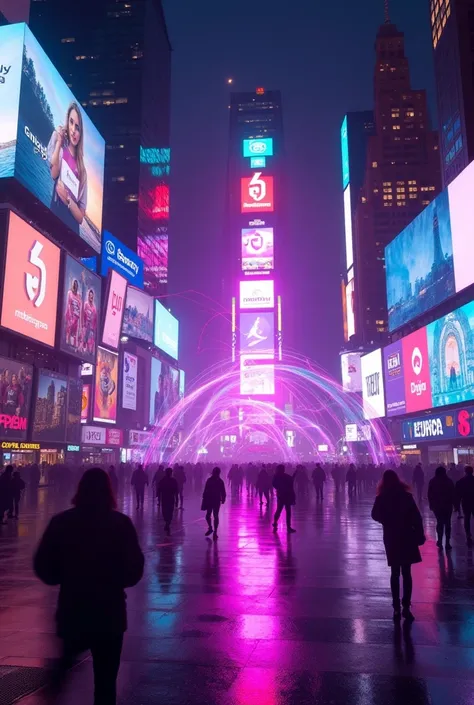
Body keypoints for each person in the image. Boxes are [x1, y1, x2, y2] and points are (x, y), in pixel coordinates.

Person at [33, 469, 144, 705]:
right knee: (105, 683)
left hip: (73, 609)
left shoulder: (62, 522)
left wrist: (65, 576)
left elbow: (43, 565)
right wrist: (114, 580)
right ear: (109, 491)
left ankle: (49, 694)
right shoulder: (120, 524)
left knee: (62, 670)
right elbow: (135, 571)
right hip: (110, 614)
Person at [371, 470, 425, 622]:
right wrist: (420, 534)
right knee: (407, 573)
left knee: (394, 572)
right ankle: (406, 606)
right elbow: (417, 517)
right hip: (407, 535)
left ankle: (395, 608)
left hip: (391, 537)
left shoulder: (382, 497)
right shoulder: (407, 496)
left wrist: (386, 521)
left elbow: (374, 514)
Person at [47, 102, 88, 235]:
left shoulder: (82, 170)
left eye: (78, 127)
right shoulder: (59, 143)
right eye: (71, 122)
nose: (73, 130)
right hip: (55, 210)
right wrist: (59, 142)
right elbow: (53, 174)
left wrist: (68, 200)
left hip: (71, 226)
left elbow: (81, 217)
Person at [428, 466, 455, 551]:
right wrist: (455, 505)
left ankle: (439, 540)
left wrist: (431, 504)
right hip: (447, 505)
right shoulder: (449, 481)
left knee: (439, 522)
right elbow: (453, 493)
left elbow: (429, 494)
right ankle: (447, 542)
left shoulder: (432, 481)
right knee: (447, 523)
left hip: (437, 505)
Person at [201, 467, 226, 539]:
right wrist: (223, 498)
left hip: (211, 499)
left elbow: (206, 490)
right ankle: (214, 531)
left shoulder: (210, 480)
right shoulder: (220, 481)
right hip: (216, 500)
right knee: (215, 515)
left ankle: (211, 528)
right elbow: (223, 491)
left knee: (209, 515)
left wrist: (204, 497)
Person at [272, 464, 296, 533]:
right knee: (288, 511)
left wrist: (279, 488)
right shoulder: (286, 476)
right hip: (287, 495)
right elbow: (291, 481)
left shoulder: (276, 476)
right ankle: (288, 527)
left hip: (280, 495)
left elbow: (274, 484)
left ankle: (275, 522)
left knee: (279, 510)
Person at [455, 466, 474, 546]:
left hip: (465, 501)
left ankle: (468, 535)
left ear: (465, 472)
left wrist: (456, 505)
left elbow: (457, 494)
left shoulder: (461, 481)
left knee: (467, 518)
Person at [158, 468, 179, 535]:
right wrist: (176, 499)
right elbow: (176, 490)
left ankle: (167, 522)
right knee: (169, 511)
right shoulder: (173, 480)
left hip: (165, 498)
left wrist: (158, 495)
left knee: (165, 511)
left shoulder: (164, 480)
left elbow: (159, 489)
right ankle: (168, 522)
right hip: (170, 498)